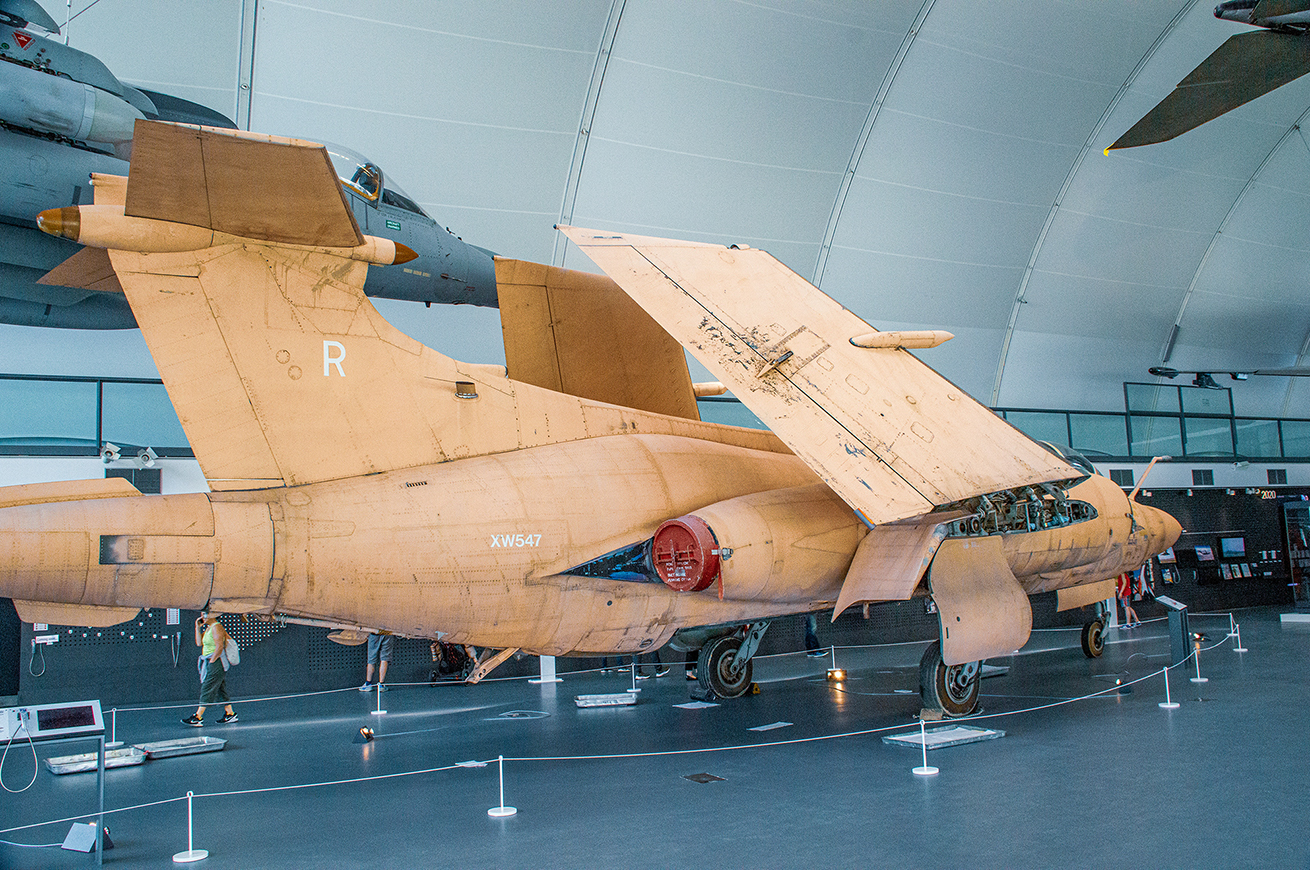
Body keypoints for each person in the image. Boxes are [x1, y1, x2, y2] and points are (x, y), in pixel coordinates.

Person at [182, 613, 237, 726]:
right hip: (211, 661)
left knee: (208, 687)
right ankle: (230, 713)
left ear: (213, 615)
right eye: (202, 615)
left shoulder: (217, 627)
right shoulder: (208, 628)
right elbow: (199, 643)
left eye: (205, 614)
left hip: (216, 661)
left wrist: (212, 661)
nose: (203, 617)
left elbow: (219, 646)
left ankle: (198, 716)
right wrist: (197, 627)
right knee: (220, 689)